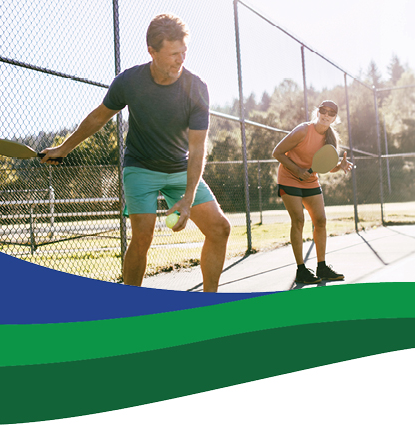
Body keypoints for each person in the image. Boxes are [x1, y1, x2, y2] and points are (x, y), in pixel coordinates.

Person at [40, 14, 231, 292]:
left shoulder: (196, 87)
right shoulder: (129, 81)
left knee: (220, 229)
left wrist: (188, 198)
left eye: (184, 52)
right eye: (174, 53)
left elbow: (197, 147)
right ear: (151, 51)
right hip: (140, 167)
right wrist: (63, 149)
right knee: (142, 238)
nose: (181, 60)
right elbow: (98, 118)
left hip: (180, 168)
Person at [272, 100, 353, 284]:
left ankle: (322, 267)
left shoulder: (331, 139)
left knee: (321, 220)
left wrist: (339, 166)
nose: (326, 115)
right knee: (298, 220)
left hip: (310, 181)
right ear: (318, 112)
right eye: (323, 110)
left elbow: (324, 166)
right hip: (289, 178)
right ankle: (301, 270)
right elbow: (276, 152)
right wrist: (297, 170)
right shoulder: (302, 130)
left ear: (334, 118)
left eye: (331, 113)